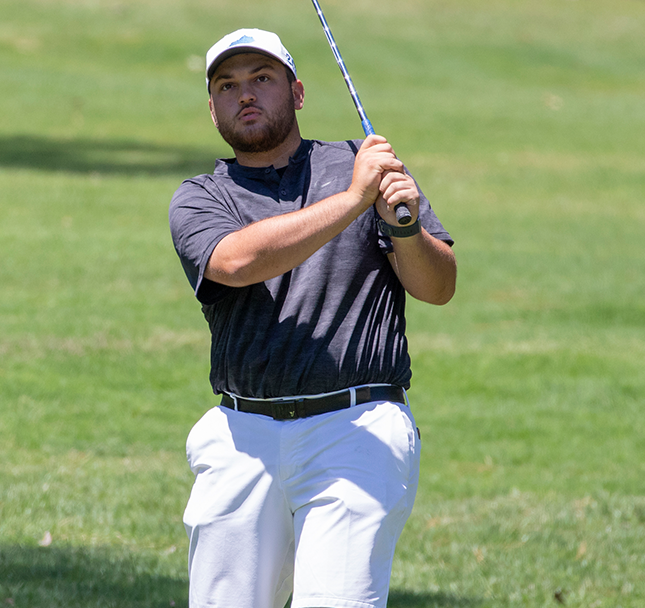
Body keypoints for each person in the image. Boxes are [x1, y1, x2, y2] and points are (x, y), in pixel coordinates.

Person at [168, 28, 457, 608]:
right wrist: (354, 200)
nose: (244, 95)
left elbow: (438, 286)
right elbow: (238, 260)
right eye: (228, 85)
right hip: (243, 436)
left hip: (357, 429)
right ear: (212, 107)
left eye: (262, 79)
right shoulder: (200, 198)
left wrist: (402, 226)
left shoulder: (361, 163)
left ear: (297, 93)